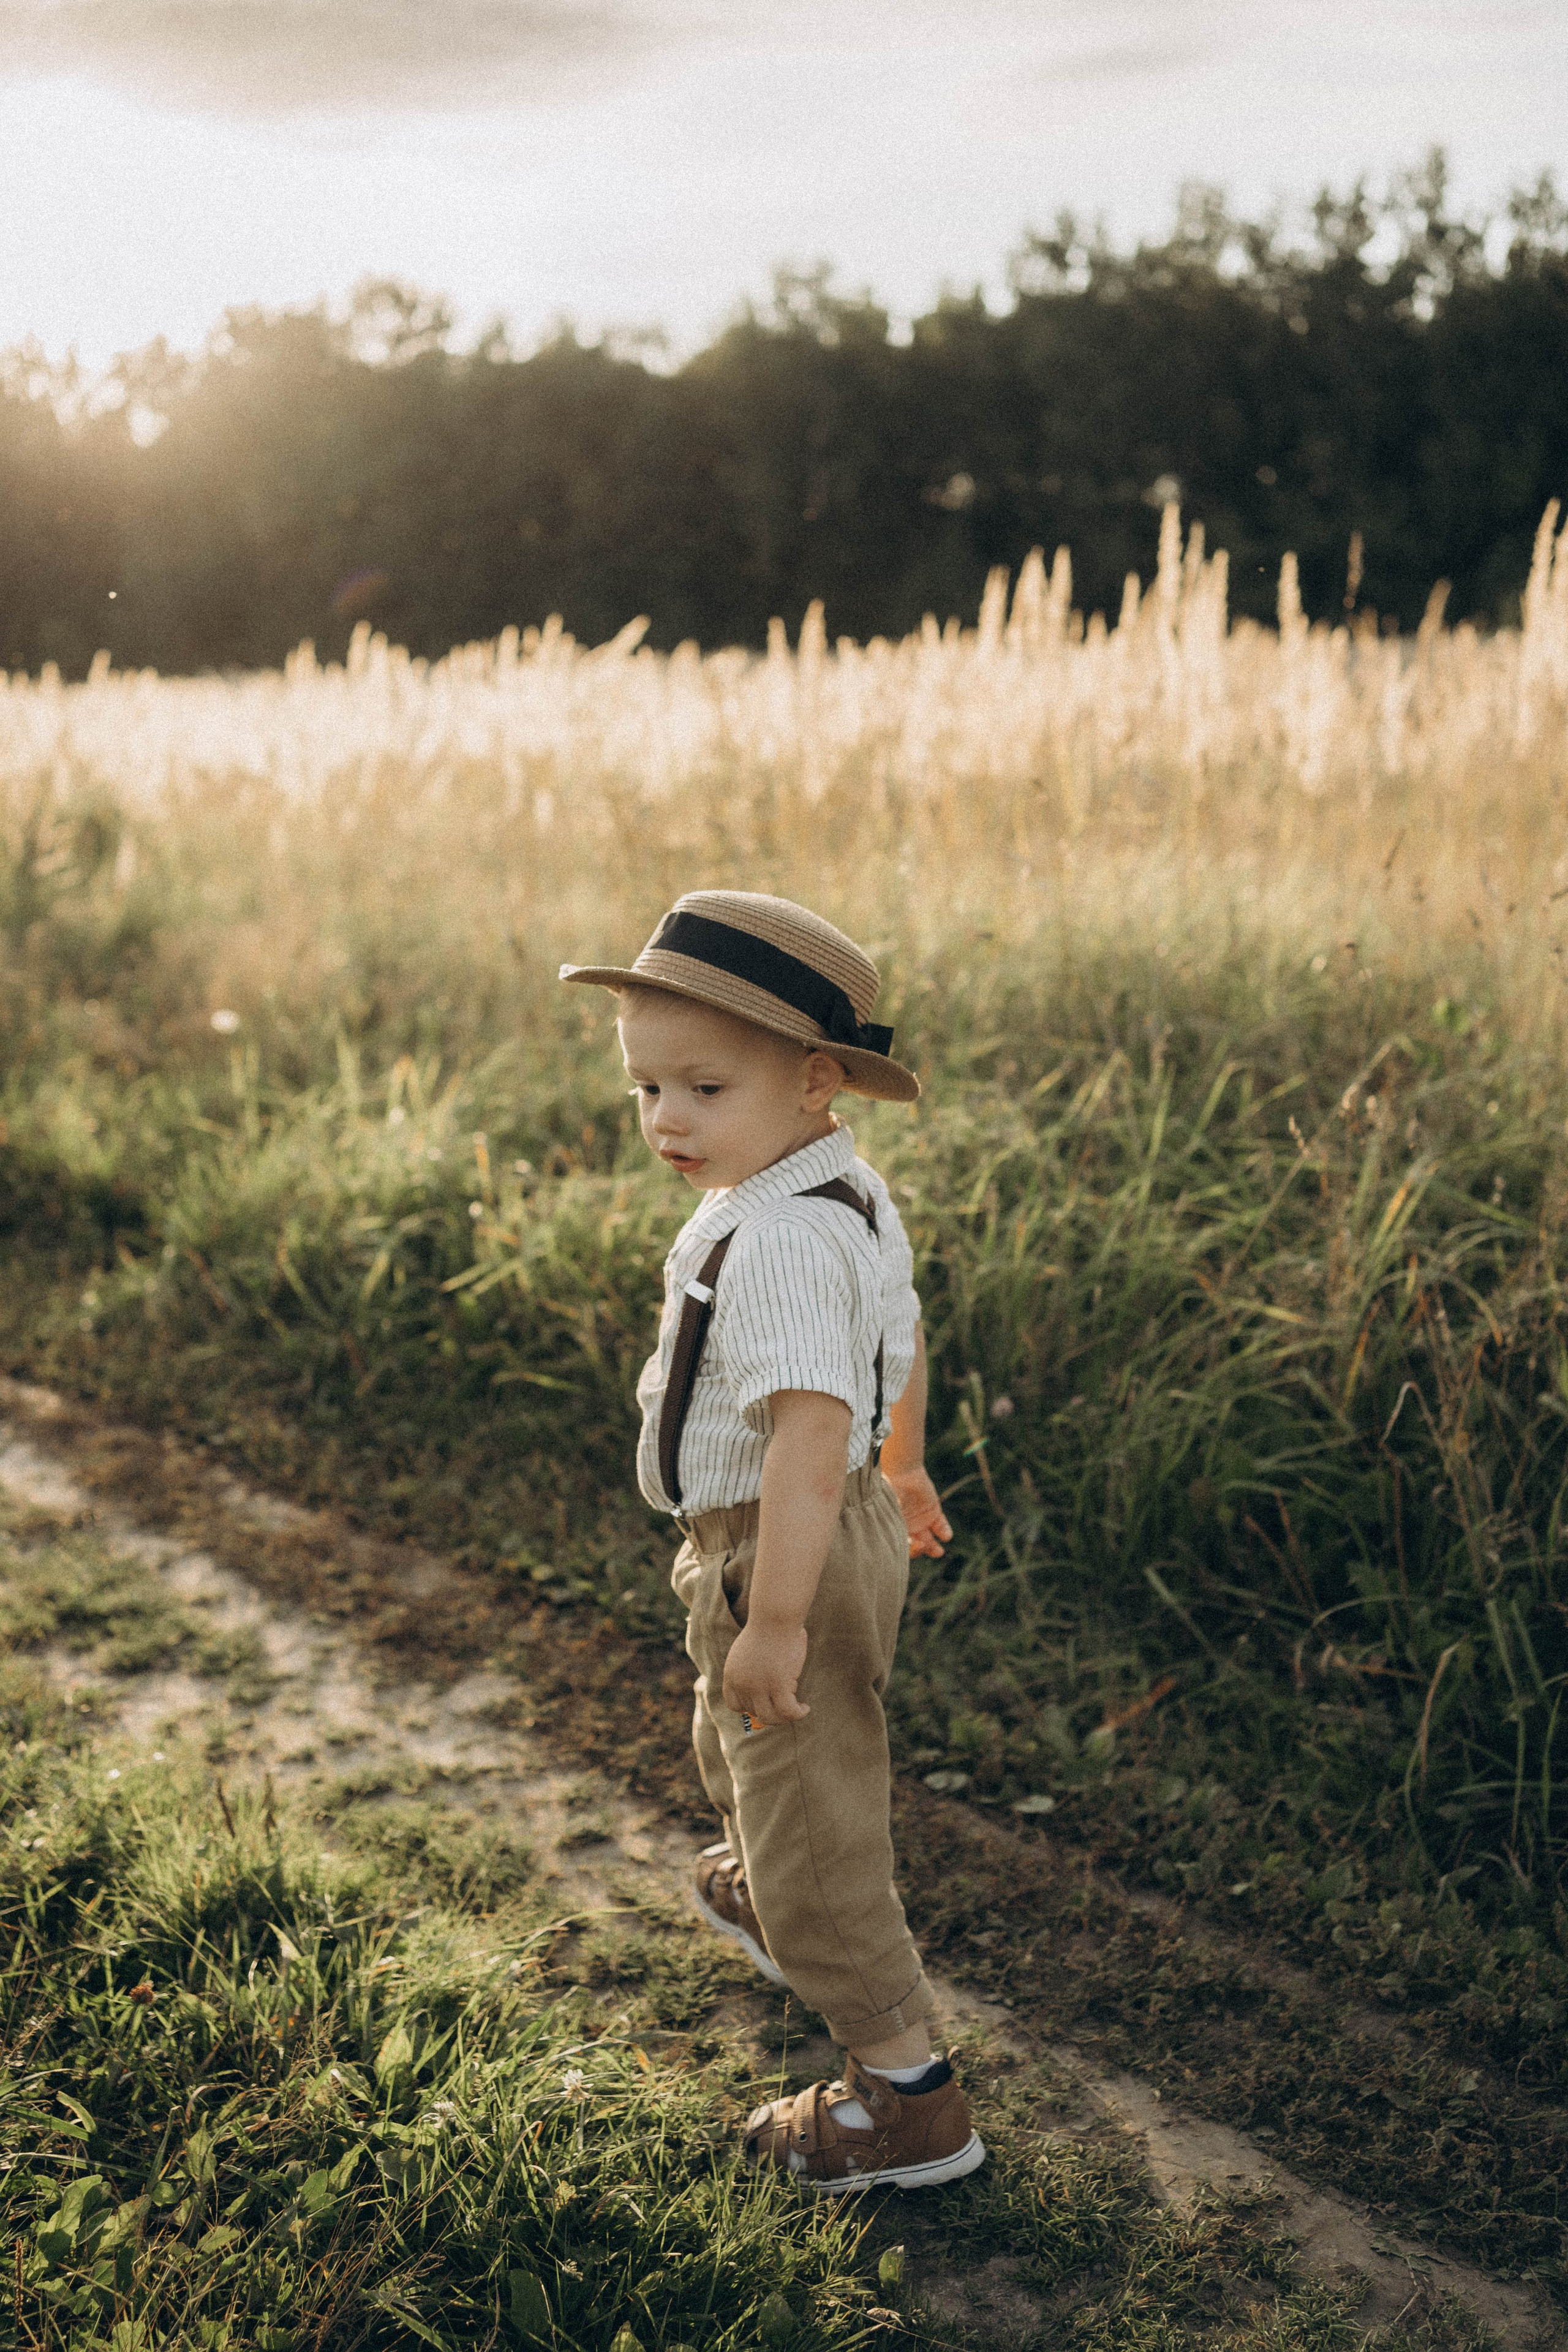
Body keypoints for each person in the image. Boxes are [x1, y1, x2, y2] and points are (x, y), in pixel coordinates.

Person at [560, 889, 986, 2193]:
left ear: (811, 1080)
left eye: (701, 1086)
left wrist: (779, 1613)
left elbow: (806, 1437)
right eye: (645, 1091)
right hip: (799, 1529)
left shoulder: (785, 1239)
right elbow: (892, 1343)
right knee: (737, 1741)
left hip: (780, 1539)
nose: (666, 1121)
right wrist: (901, 1465)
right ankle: (763, 1882)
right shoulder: (836, 1188)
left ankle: (906, 2103)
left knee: (811, 1808)